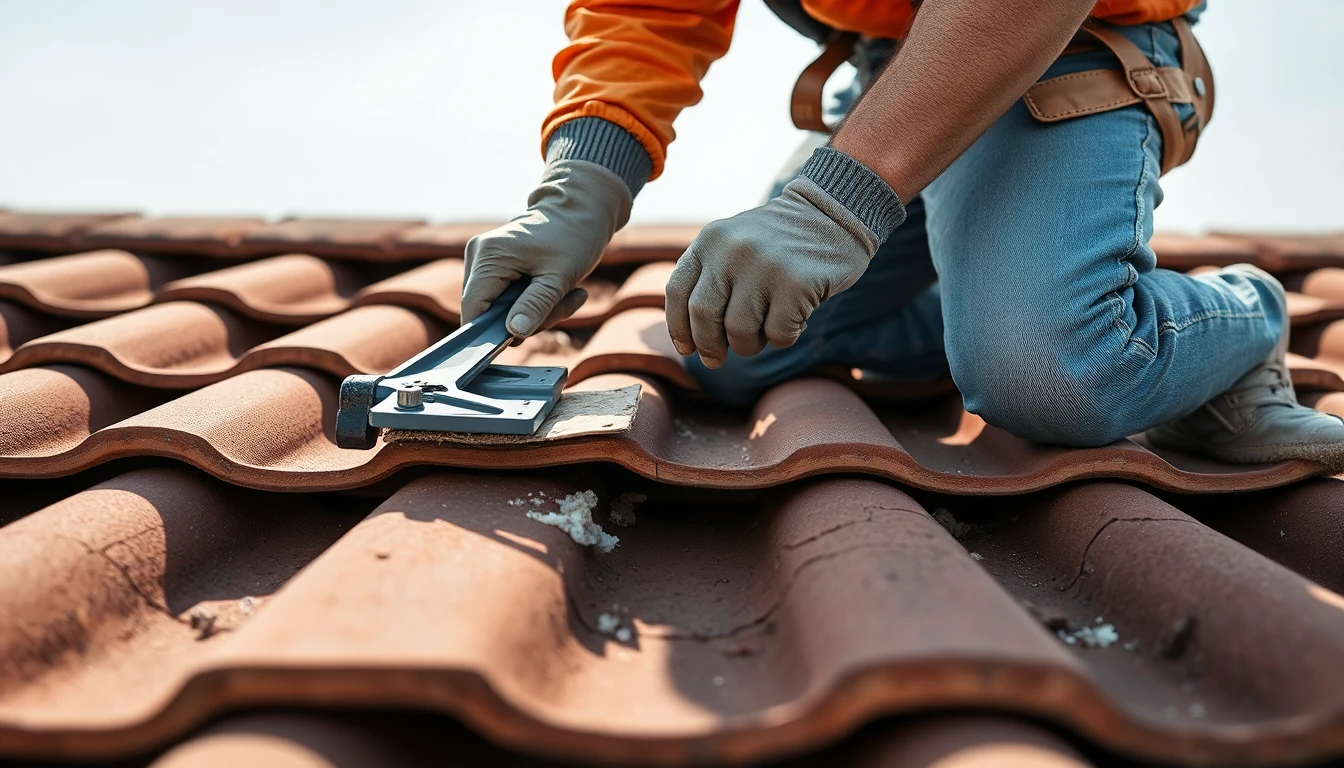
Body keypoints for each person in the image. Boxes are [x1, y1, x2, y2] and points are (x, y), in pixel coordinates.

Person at [461, 0, 1344, 469]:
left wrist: (832, 207)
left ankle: (1243, 322)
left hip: (1067, 39)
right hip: (897, 64)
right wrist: (580, 182)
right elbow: (648, 8)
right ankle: (986, 307)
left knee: (1056, 375)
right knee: (734, 342)